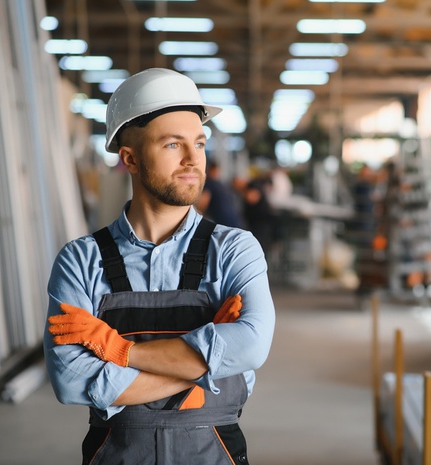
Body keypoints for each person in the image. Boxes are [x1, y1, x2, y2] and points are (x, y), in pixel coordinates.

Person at [44, 68, 275, 465]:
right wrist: (208, 363)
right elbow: (70, 381)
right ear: (130, 159)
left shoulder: (235, 250)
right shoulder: (80, 260)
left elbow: (252, 346)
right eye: (172, 144)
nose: (192, 159)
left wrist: (119, 351)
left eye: (199, 143)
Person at [196, 160, 245, 228]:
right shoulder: (220, 184)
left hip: (223, 221)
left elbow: (203, 203)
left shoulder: (209, 183)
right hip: (233, 220)